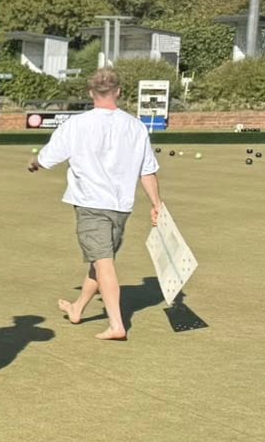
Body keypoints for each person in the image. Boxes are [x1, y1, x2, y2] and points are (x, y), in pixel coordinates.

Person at [29, 66, 166, 341]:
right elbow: (147, 171)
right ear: (118, 92)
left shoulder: (77, 124)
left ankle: (117, 325)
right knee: (101, 260)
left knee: (103, 263)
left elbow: (47, 158)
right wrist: (156, 203)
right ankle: (78, 308)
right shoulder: (136, 127)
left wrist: (34, 163)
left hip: (91, 205)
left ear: (91, 93)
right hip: (122, 207)